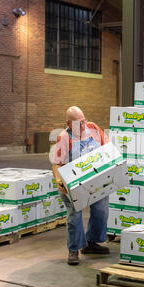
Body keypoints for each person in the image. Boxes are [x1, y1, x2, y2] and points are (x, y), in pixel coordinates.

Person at [51, 106, 110, 266]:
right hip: (72, 183)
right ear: (68, 123)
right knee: (74, 215)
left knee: (101, 209)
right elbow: (56, 163)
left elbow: (108, 148)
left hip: (95, 178)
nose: (83, 125)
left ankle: (92, 243)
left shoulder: (93, 128)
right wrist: (58, 180)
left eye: (84, 120)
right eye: (79, 123)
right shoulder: (64, 137)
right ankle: (74, 249)